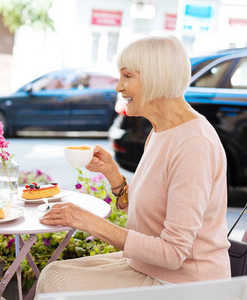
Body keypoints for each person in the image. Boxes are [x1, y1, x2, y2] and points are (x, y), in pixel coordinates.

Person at [36, 35, 231, 295]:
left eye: (127, 76)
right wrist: (113, 175)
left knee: (58, 285)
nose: (118, 86)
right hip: (149, 267)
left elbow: (173, 253)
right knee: (53, 274)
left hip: (186, 283)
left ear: (155, 78)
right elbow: (151, 215)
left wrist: (89, 222)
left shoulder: (195, 144)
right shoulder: (162, 130)